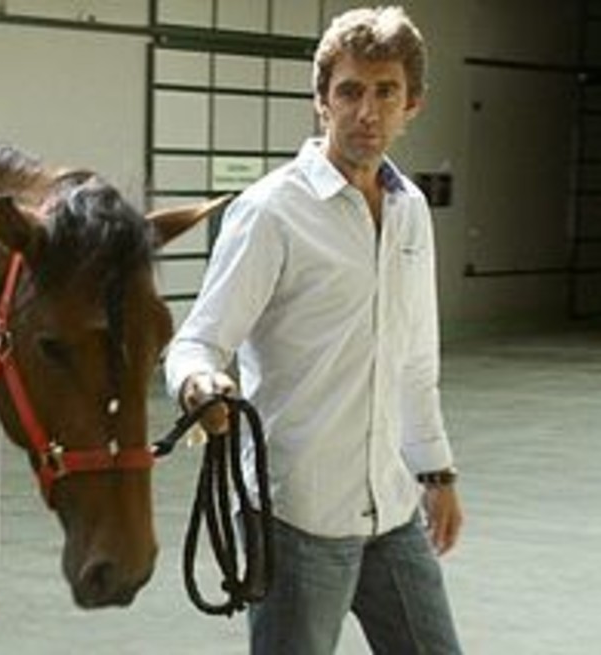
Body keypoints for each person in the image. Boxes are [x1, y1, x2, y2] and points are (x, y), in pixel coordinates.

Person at [163, 6, 463, 654]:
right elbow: (197, 340)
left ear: (413, 103)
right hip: (295, 519)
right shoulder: (271, 212)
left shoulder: (411, 211)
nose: (367, 111)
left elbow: (415, 360)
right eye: (350, 90)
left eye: (386, 92)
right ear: (321, 101)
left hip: (391, 509)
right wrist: (198, 382)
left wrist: (435, 472)